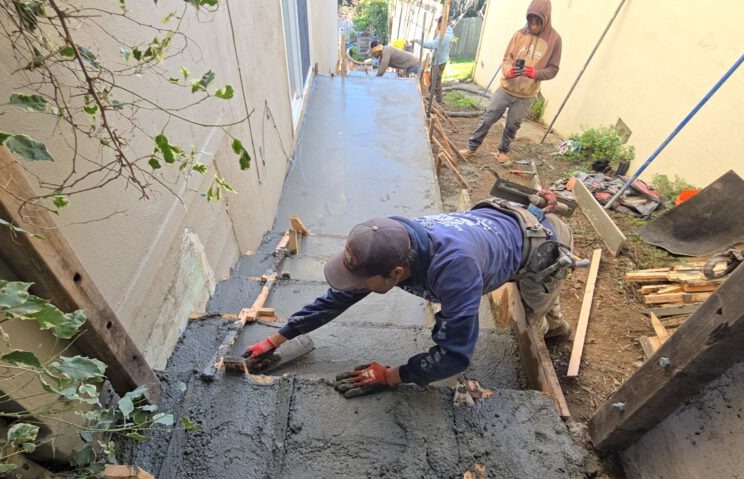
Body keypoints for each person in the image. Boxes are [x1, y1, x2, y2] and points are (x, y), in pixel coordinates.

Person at [243, 196, 576, 399]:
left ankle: (556, 326)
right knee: (526, 299)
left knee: (533, 315)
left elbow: (455, 356)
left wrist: (390, 376)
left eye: (363, 281)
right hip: (496, 228)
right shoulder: (392, 240)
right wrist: (278, 338)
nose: (356, 287)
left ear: (397, 273)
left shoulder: (455, 273)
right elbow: (338, 298)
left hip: (541, 247)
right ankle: (552, 312)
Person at [460, 0, 562, 164]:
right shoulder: (519, 35)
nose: (533, 26)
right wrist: (508, 71)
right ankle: (471, 147)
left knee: (513, 125)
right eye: (531, 21)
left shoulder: (555, 40)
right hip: (506, 88)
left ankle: (503, 151)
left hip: (526, 94)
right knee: (488, 117)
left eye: (537, 22)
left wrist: (535, 73)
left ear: (546, 19)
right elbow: (506, 59)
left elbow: (553, 69)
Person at [412, 17, 454, 101]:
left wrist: (418, 41)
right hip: (439, 60)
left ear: (442, 23)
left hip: (440, 61)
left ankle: (438, 100)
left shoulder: (445, 35)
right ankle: (430, 96)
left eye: (438, 24)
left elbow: (432, 44)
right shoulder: (446, 33)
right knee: (433, 79)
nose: (437, 26)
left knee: (436, 81)